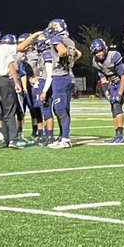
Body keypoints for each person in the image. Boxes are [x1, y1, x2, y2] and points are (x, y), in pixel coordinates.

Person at [47, 19, 81, 149]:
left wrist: (61, 60)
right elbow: (79, 54)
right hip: (68, 76)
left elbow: (62, 51)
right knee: (64, 109)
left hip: (60, 77)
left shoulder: (56, 38)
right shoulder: (70, 40)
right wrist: (69, 62)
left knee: (60, 109)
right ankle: (63, 136)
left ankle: (65, 139)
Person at [90, 38, 124, 143]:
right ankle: (117, 134)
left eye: (100, 51)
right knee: (113, 107)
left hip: (122, 82)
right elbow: (103, 79)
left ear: (105, 49)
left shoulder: (113, 56)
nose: (99, 54)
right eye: (96, 52)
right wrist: (107, 93)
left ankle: (120, 136)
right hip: (113, 83)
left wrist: (119, 93)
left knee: (117, 104)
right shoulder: (96, 62)